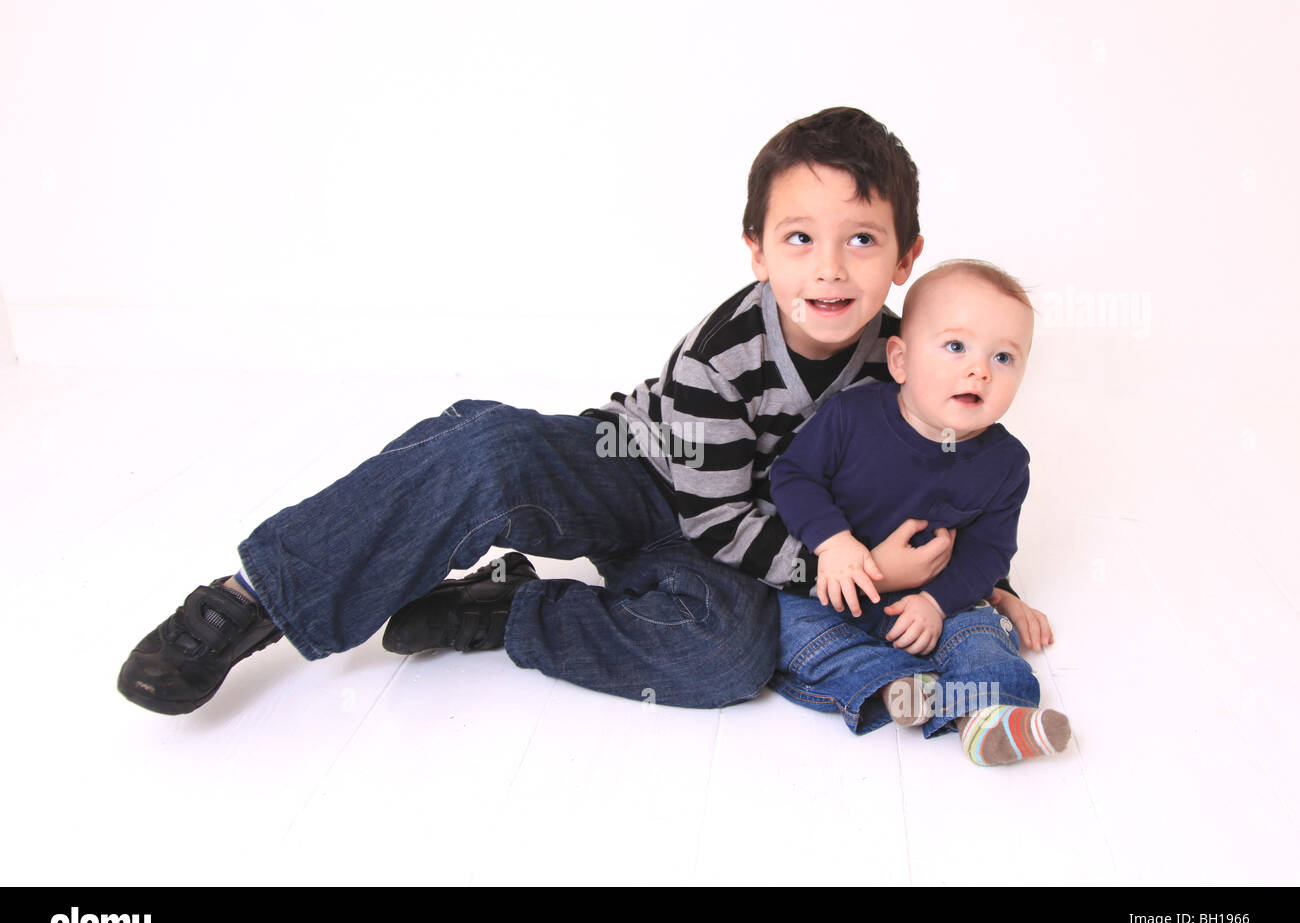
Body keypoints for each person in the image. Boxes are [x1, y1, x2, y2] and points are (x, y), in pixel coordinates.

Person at [118, 107, 1052, 719]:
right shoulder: (722, 351)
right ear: (757, 250)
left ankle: (506, 611)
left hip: (734, 537)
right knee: (494, 456)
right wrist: (838, 561)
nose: (830, 268)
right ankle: (253, 596)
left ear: (905, 257)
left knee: (730, 656)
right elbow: (717, 508)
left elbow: (938, 482)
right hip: (642, 468)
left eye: (862, 241)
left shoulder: (908, 364)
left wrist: (971, 581)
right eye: (800, 238)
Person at [769, 260, 1071, 766]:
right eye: (956, 347)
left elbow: (989, 551)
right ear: (901, 360)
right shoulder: (851, 416)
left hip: (934, 600)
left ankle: (990, 718)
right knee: (794, 631)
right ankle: (897, 690)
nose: (979, 370)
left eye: (1003, 357)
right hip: (836, 589)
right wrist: (835, 543)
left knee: (980, 636)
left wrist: (937, 600)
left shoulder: (1006, 461)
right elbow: (792, 477)